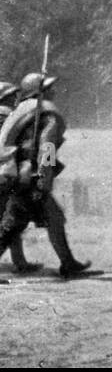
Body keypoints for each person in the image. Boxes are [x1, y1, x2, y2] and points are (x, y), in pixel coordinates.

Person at [0, 73, 98, 278]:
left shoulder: (23, 111)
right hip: (32, 176)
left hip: (20, 172)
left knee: (52, 218)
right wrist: (45, 176)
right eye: (49, 88)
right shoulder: (47, 114)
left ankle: (68, 263)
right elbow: (48, 147)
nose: (54, 91)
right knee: (13, 224)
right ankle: (68, 263)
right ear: (40, 91)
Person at [0, 81, 39, 273]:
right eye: (12, 96)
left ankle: (20, 260)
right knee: (10, 217)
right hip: (6, 170)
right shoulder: (9, 115)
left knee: (10, 217)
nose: (15, 99)